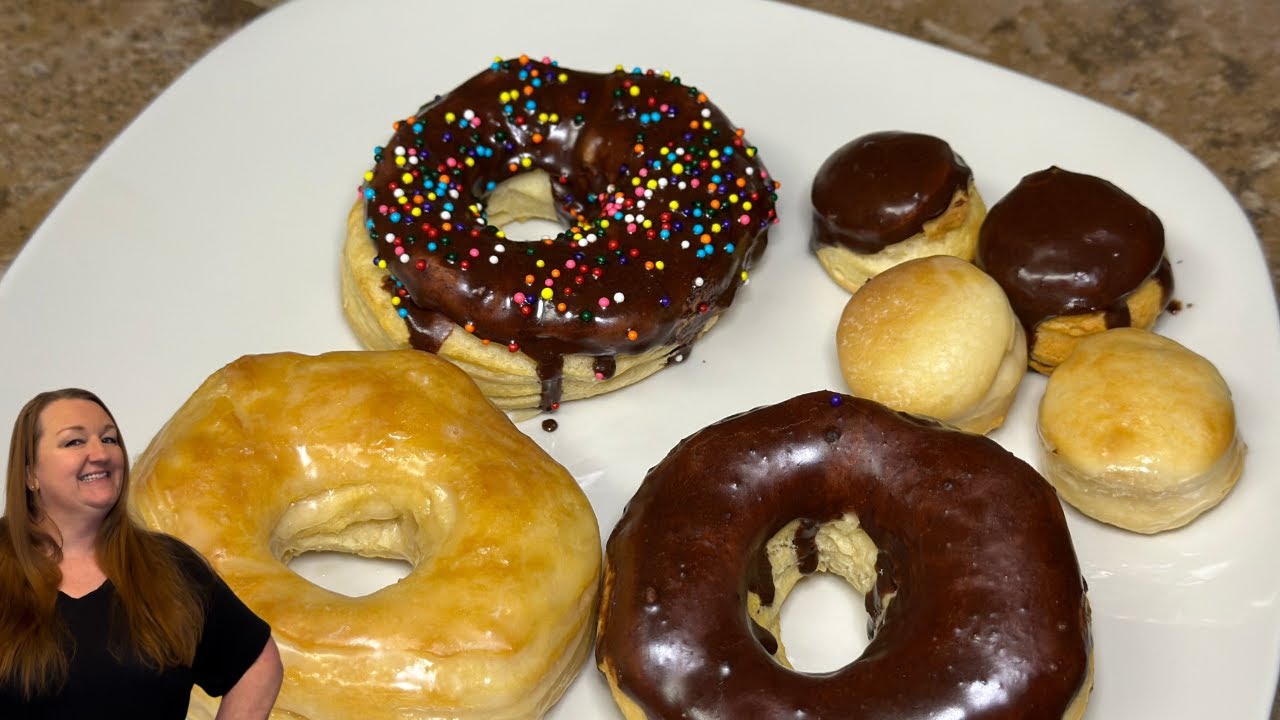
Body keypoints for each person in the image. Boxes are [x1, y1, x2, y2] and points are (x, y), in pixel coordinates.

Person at [0, 388, 283, 718]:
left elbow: (257, 665)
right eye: (74, 442)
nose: (101, 453)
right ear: (30, 474)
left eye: (109, 439)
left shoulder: (169, 567)